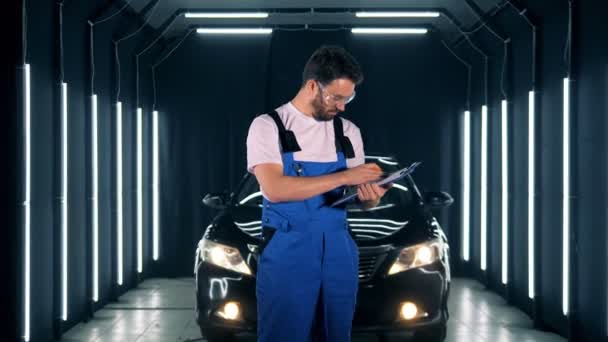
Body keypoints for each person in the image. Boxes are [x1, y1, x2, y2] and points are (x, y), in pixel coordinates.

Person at [246, 45, 389, 342]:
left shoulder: (348, 131)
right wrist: (347, 175)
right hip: (288, 254)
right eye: (336, 97)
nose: (342, 106)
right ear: (313, 86)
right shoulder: (268, 126)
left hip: (339, 254)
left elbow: (366, 202)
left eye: (348, 98)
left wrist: (371, 194)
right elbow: (275, 188)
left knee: (336, 335)